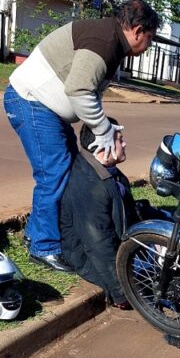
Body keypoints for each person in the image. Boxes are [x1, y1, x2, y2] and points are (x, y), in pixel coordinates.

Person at [3, 0, 160, 272]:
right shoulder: (104, 41)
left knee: (67, 169)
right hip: (32, 102)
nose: (148, 46)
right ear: (137, 31)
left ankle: (36, 232)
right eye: (150, 38)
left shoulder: (111, 41)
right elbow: (78, 90)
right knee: (54, 172)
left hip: (46, 109)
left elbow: (89, 91)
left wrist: (100, 126)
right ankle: (44, 247)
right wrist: (104, 129)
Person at [59, 126, 141, 309]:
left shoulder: (109, 173)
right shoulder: (89, 187)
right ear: (103, 148)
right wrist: (121, 291)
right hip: (89, 259)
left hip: (120, 245)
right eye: (119, 140)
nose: (124, 143)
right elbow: (98, 245)